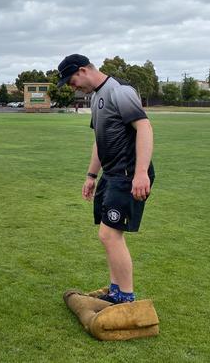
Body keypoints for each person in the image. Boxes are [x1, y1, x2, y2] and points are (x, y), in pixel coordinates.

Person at [57, 54, 155, 304]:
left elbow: (144, 127)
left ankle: (125, 298)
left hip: (127, 173)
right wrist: (91, 175)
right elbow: (100, 141)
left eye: (71, 81)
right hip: (111, 174)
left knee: (109, 235)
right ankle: (115, 290)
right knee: (109, 235)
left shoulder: (119, 91)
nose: (72, 87)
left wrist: (141, 172)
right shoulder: (98, 97)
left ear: (83, 70)